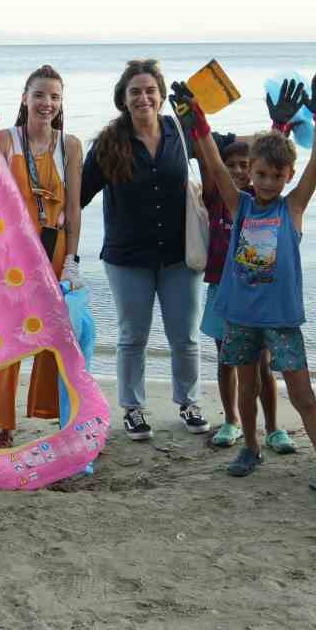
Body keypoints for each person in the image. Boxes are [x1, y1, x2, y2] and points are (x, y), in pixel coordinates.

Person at [178, 74, 316, 512]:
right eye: (260, 173)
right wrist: (197, 121)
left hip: (281, 322)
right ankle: (251, 446)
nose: (265, 182)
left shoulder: (292, 207)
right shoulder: (239, 203)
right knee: (246, 387)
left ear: (287, 175)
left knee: (302, 395)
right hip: (240, 316)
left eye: (275, 175)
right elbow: (216, 165)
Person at [80, 59, 207, 441]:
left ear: (163, 96)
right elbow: (78, 196)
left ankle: (188, 401)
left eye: (150, 90)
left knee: (184, 336)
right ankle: (133, 409)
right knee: (132, 336)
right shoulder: (108, 143)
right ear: (123, 98)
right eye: (135, 91)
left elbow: (223, 159)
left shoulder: (181, 132)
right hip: (127, 258)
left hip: (179, 257)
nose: (143, 97)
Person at [0, 65, 87, 447]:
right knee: (8, 339)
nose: (47, 103)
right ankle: (4, 424)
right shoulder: (4, 141)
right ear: (25, 98)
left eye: (55, 97)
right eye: (40, 95)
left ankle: (54, 413)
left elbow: (74, 207)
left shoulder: (70, 145)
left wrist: (73, 259)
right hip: (12, 254)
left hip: (55, 248)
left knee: (57, 336)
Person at [198, 133, 286, 454]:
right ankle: (231, 420)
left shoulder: (259, 202)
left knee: (262, 362)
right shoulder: (218, 198)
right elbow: (209, 164)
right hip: (222, 290)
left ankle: (273, 427)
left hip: (257, 294)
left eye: (244, 165)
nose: (236, 171)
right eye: (230, 165)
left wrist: (278, 128)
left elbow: (277, 162)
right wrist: (200, 128)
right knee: (227, 359)